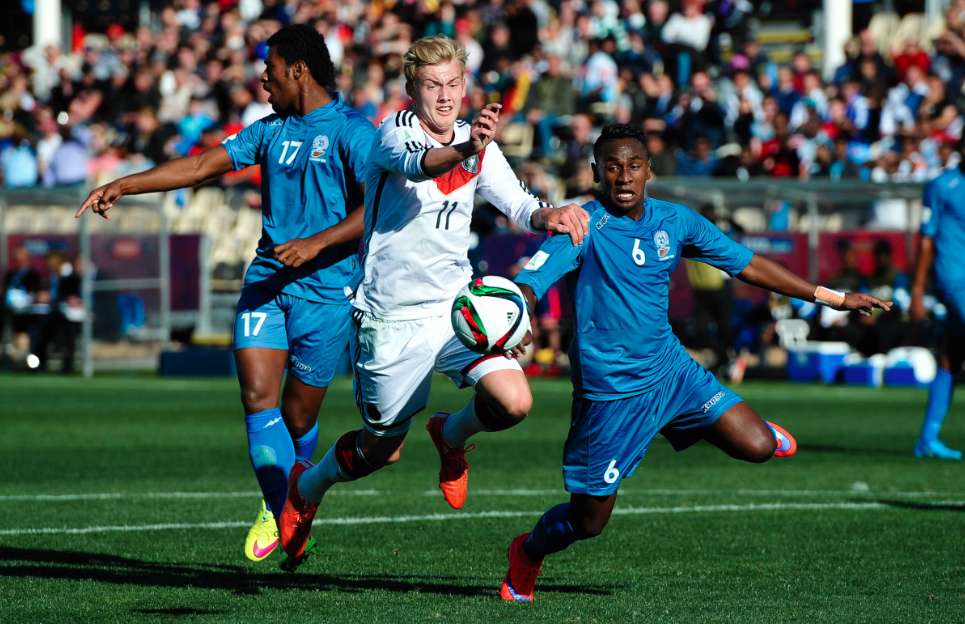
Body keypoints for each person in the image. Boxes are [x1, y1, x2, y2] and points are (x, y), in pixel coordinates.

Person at [498, 124, 892, 603]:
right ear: (597, 172)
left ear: (650, 171)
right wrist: (513, 319)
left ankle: (700, 421)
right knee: (588, 522)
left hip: (670, 373)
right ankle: (528, 551)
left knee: (758, 445)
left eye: (634, 166)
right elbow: (528, 284)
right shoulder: (580, 225)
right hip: (610, 394)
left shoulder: (676, 221)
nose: (624, 176)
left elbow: (745, 263)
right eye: (613, 167)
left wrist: (829, 296)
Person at [277, 35, 589, 568]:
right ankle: (310, 487)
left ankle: (451, 432)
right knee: (381, 451)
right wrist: (472, 149)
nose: (444, 97)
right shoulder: (392, 135)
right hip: (390, 318)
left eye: (452, 85)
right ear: (410, 88)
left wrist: (548, 215)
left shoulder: (474, 140)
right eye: (431, 85)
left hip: (454, 308)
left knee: (515, 400)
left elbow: (516, 203)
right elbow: (423, 166)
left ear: (465, 86)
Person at [75, 24, 376, 561]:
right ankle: (276, 502)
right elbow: (198, 166)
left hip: (327, 293)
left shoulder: (355, 131)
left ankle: (296, 499)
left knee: (300, 420)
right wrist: (124, 183)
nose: (263, 79)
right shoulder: (269, 131)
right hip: (266, 282)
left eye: (271, 68)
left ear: (298, 70)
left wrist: (316, 243)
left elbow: (373, 210)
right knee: (258, 402)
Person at [910, 139, 965, 461]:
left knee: (952, 354)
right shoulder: (942, 185)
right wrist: (918, 291)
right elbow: (926, 239)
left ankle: (928, 439)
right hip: (955, 279)